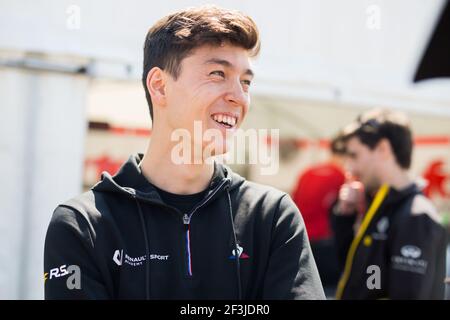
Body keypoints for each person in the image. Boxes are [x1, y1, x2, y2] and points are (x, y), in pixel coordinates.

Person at [43, 5, 325, 300]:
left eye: (246, 82)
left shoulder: (272, 216)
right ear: (160, 86)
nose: (239, 97)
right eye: (218, 73)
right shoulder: (83, 224)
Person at [332, 108, 447, 299]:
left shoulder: (416, 216)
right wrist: (346, 214)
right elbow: (357, 276)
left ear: (383, 149)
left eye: (354, 155)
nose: (349, 167)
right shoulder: (381, 205)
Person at [291, 134, 346, 295]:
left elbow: (294, 201)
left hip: (303, 239)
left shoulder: (307, 172)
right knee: (328, 291)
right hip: (326, 242)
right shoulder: (341, 176)